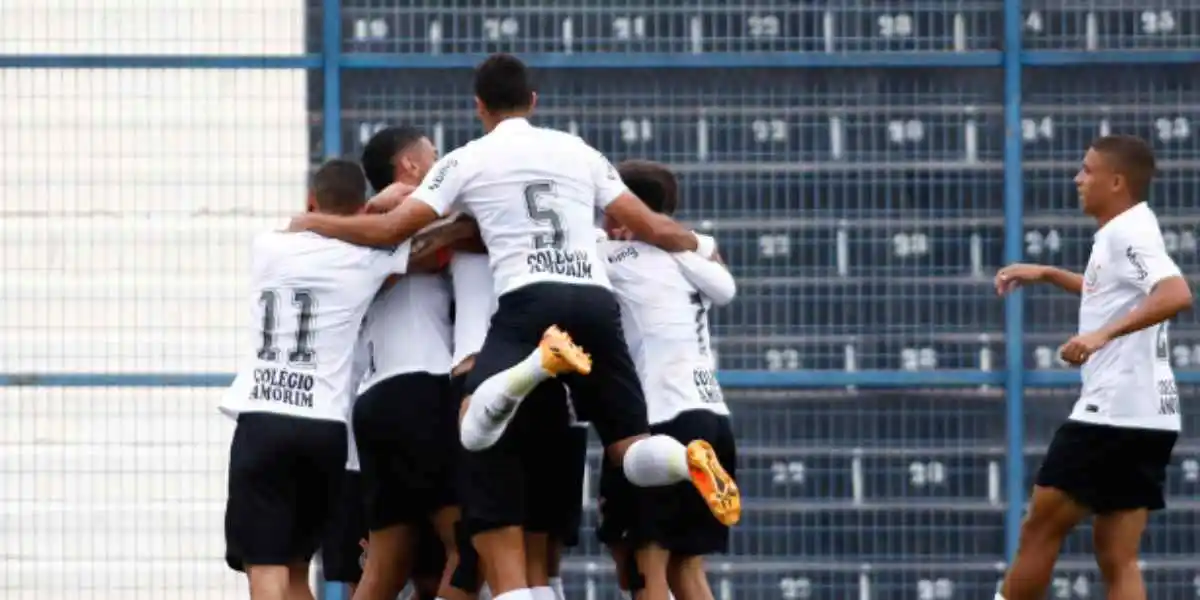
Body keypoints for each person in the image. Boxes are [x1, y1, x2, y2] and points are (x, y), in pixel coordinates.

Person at [288, 52, 740, 600]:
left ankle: (532, 367)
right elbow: (646, 224)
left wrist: (313, 222)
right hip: (594, 305)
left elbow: (391, 230)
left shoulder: (466, 163)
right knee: (628, 450)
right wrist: (701, 244)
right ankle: (683, 459)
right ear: (534, 101)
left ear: (478, 107)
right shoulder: (579, 152)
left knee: (474, 426)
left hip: (527, 308)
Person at [992, 135, 1193, 600]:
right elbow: (1109, 292)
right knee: (1116, 554)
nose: (1077, 179)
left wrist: (1100, 336)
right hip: (1150, 417)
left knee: (1039, 528)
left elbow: (1175, 293)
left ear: (1116, 181)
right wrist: (1045, 272)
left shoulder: (1129, 233)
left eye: (1087, 170)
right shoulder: (1127, 230)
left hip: (1111, 414)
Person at [220, 159, 417, 600]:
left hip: (265, 418)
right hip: (325, 427)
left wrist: (358, 211)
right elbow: (404, 237)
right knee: (296, 569)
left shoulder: (269, 246)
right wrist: (375, 210)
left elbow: (301, 224)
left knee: (265, 566)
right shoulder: (367, 260)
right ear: (361, 205)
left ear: (313, 202)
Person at [597, 160, 738, 600]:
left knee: (647, 567)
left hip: (658, 423)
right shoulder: (693, 260)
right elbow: (725, 284)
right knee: (687, 567)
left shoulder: (614, 258)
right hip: (712, 418)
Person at [352, 126, 471, 600]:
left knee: (387, 565)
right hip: (420, 390)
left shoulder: (357, 232)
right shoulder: (404, 218)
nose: (441, 160)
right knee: (469, 546)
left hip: (375, 401)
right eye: (434, 155)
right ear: (411, 167)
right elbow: (467, 232)